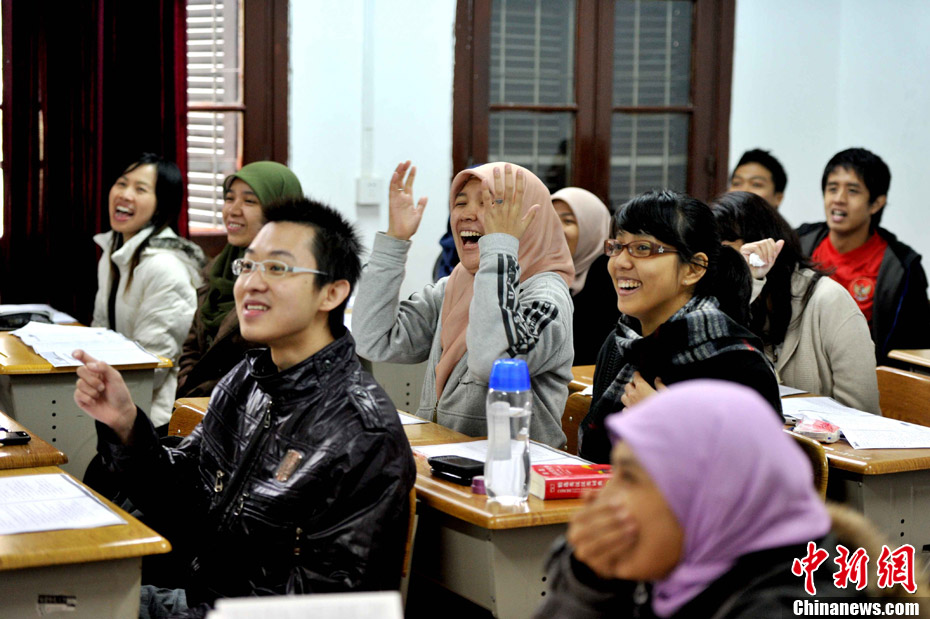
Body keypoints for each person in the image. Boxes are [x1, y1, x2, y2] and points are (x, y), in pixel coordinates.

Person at [74, 197, 416, 618]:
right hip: (203, 594)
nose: (252, 282)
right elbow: (182, 500)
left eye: (277, 268)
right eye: (248, 265)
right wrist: (126, 427)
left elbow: (327, 606)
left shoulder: (361, 433)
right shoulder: (248, 378)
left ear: (332, 292)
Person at [537, 380, 923, 618]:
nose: (602, 497)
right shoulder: (682, 572)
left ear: (709, 496)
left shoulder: (780, 609)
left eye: (631, 478)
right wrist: (591, 584)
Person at [353, 161, 574, 448]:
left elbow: (492, 364)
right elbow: (372, 339)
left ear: (527, 219)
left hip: (515, 476)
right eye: (460, 203)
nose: (468, 214)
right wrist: (395, 241)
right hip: (447, 463)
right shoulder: (454, 286)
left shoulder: (546, 296)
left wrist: (499, 247)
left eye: (489, 203)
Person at [578, 190, 780, 464]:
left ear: (693, 269)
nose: (621, 263)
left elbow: (756, 483)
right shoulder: (620, 345)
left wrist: (665, 423)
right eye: (617, 247)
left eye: (642, 249)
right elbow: (596, 458)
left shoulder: (738, 363)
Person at [713, 191, 880, 413]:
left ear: (761, 247)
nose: (718, 266)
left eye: (727, 253)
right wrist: (748, 285)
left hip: (825, 444)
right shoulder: (730, 299)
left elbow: (862, 413)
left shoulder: (829, 301)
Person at [92, 153, 205, 428]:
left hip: (152, 417)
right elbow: (99, 333)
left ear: (160, 205)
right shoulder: (114, 253)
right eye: (121, 183)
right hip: (115, 397)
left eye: (140, 189)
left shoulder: (166, 267)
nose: (125, 194)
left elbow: (151, 367)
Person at [176, 161, 303, 398]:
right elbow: (191, 349)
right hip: (198, 408)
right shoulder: (218, 269)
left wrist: (209, 399)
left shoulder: (291, 281)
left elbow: (275, 368)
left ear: (279, 208)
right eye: (229, 198)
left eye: (249, 201)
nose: (233, 210)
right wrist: (191, 394)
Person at [797, 148, 930, 366]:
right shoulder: (800, 243)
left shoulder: (901, 267)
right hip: (800, 372)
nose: (838, 199)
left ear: (876, 203)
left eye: (852, 191)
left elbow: (912, 347)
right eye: (832, 188)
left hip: (868, 380)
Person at [551, 187, 619, 366]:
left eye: (567, 221)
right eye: (550, 220)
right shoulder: (538, 274)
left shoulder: (610, 279)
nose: (555, 229)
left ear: (592, 227)